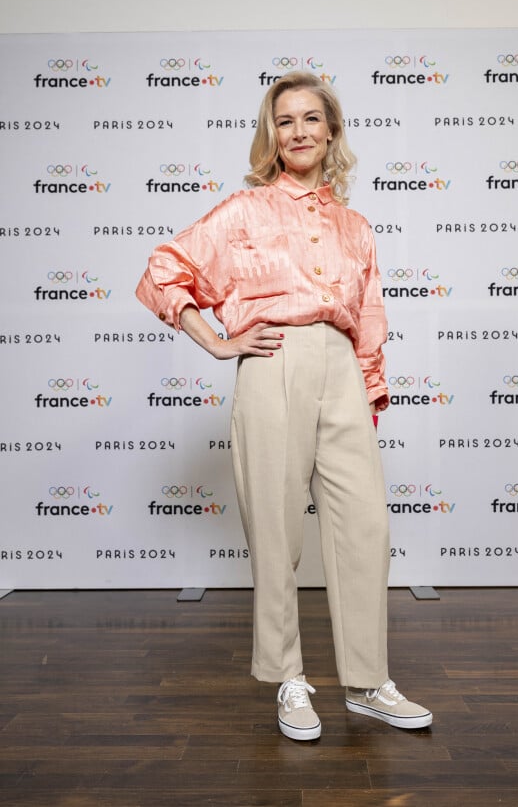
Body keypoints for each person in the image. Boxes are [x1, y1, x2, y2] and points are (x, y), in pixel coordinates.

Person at [136, 71, 432, 740]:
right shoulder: (244, 212)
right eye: (285, 121)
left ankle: (366, 680)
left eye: (310, 119)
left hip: (342, 368)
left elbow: (369, 316)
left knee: (365, 527)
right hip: (273, 364)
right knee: (276, 527)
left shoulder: (356, 226)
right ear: (273, 136)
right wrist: (218, 341)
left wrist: (367, 390)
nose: (298, 132)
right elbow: (164, 268)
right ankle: (289, 678)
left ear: (331, 130)